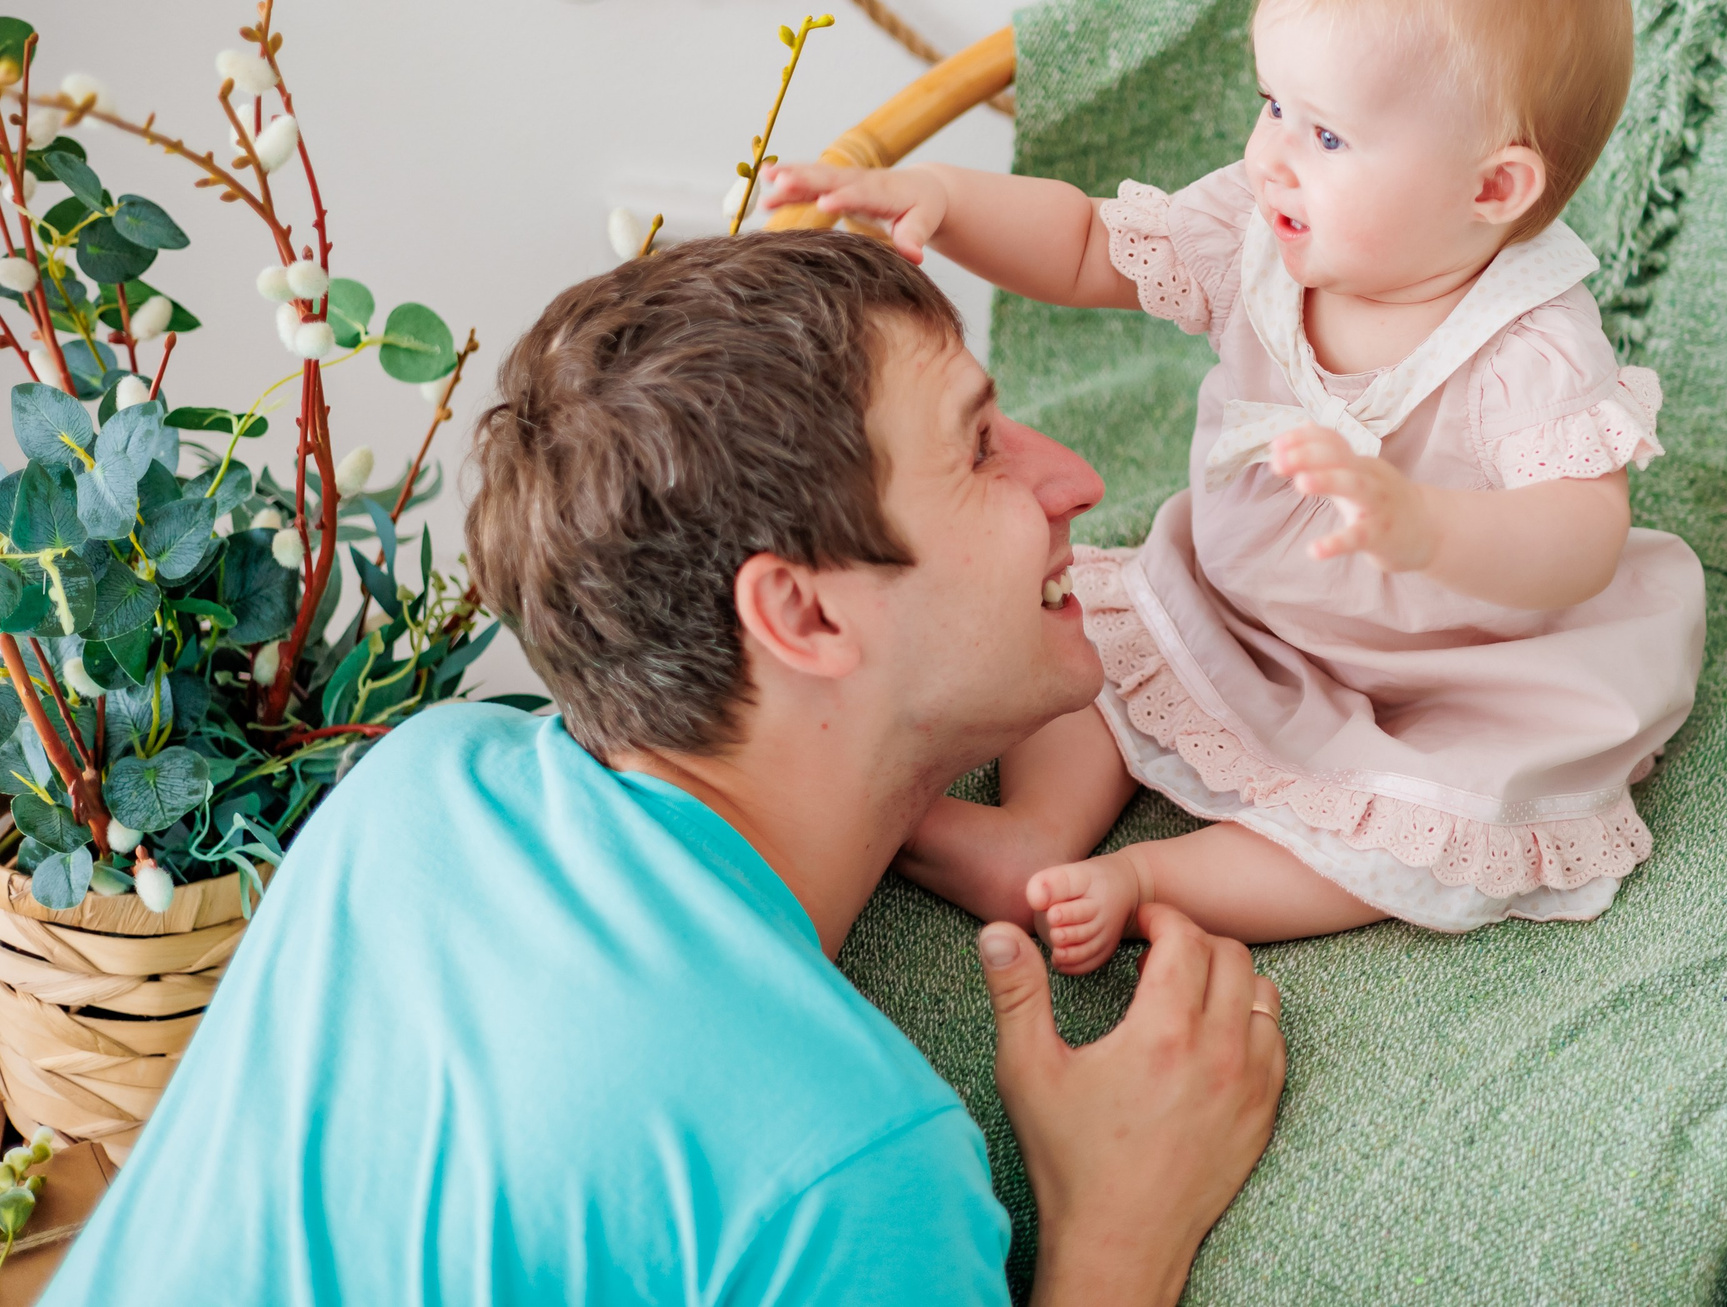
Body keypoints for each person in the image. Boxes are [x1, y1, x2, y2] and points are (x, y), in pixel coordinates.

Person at [48, 232, 1284, 1304]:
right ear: (800, 616)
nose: (1076, 479)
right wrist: (1120, 1239)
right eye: (978, 449)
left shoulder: (418, 780)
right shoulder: (842, 1168)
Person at [766, 0, 1709, 975]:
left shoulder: (1527, 342)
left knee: (1431, 826)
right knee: (1103, 638)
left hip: (1464, 665)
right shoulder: (1265, 230)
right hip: (1244, 597)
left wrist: (1426, 529)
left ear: (1492, 190)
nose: (1271, 155)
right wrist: (950, 201)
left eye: (1327, 135)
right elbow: (1083, 244)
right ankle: (1032, 835)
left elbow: (1578, 538)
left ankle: (1158, 876)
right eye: (1272, 107)